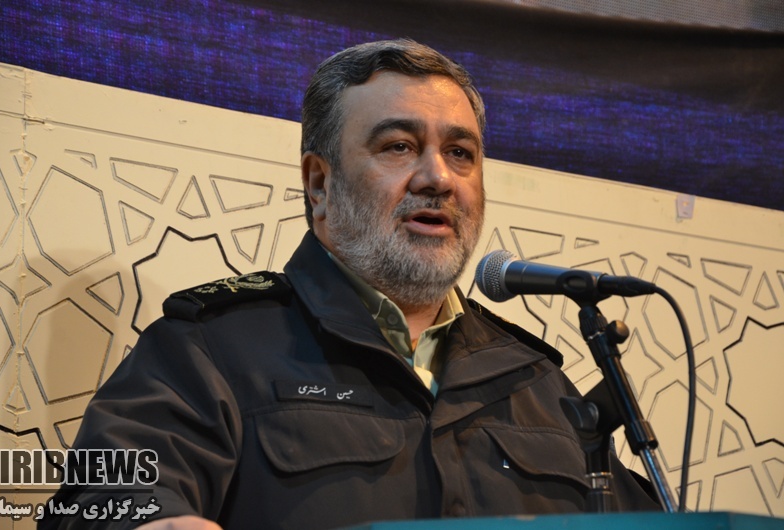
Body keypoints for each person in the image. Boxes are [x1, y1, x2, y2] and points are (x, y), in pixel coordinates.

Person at [39, 39, 658, 530]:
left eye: (460, 153)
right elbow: (98, 500)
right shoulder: (211, 349)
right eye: (399, 146)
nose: (438, 178)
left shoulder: (536, 380)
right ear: (319, 184)